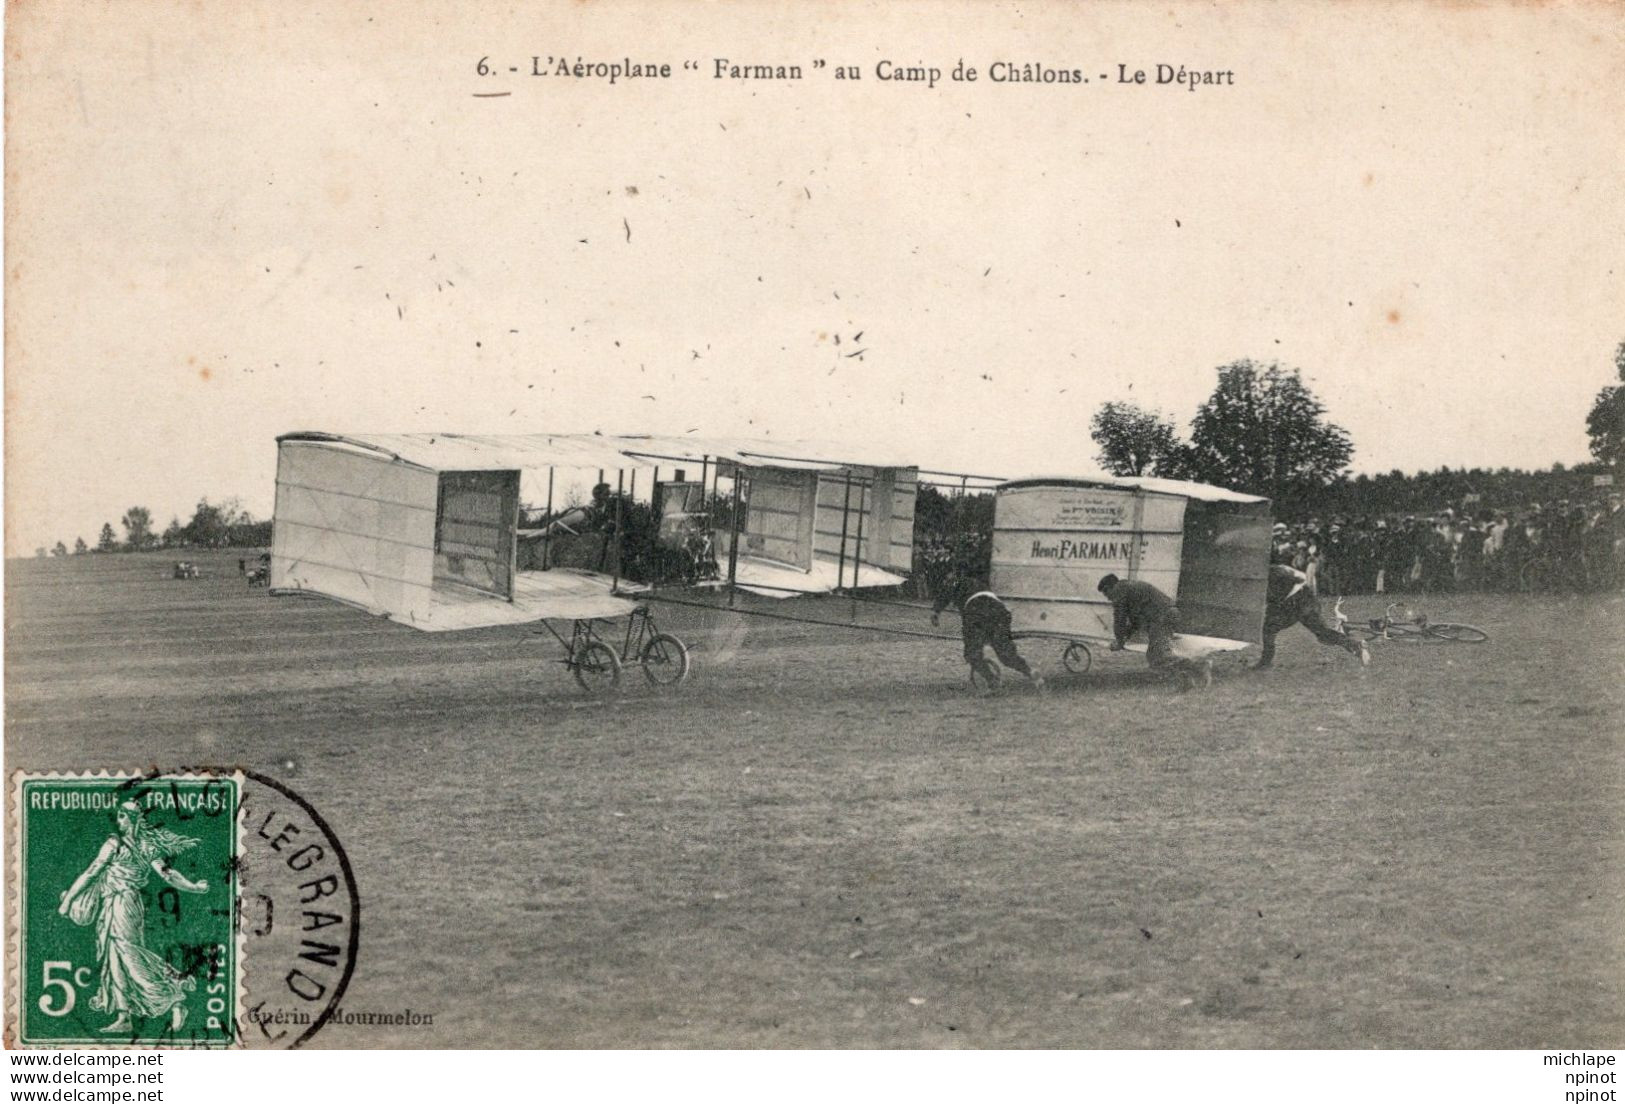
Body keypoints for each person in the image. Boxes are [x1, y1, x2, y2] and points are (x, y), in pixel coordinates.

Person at [58, 800, 210, 1034]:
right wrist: (195, 887)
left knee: (129, 956)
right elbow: (168, 875)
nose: (118, 821)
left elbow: (92, 872)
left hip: (123, 904)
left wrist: (68, 901)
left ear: (131, 819)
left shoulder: (115, 844)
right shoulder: (146, 846)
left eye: (121, 816)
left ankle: (174, 997)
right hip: (117, 904)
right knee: (114, 958)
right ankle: (124, 1016)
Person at [931, 569, 1044, 695]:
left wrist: (936, 611)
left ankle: (992, 682)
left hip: (976, 613)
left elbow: (946, 593)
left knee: (972, 654)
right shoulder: (979, 583)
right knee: (1006, 654)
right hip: (999, 611)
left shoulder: (954, 583)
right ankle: (1030, 671)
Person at [1095, 573, 1212, 689]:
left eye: (1106, 593)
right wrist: (1124, 638)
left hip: (1161, 617)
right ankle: (1185, 680)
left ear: (1110, 587)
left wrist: (1119, 642)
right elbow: (1135, 622)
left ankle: (1198, 666)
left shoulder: (1120, 590)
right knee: (1154, 657)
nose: (1108, 597)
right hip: (1166, 615)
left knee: (1159, 657)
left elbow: (1119, 620)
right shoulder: (1129, 588)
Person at [1255, 560, 1369, 670]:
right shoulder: (1269, 575)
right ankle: (1355, 645)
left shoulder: (1276, 571)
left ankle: (1266, 661)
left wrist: (1287, 599)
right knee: (1322, 633)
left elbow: (1300, 580)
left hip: (1299, 603)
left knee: (1270, 629)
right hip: (1299, 604)